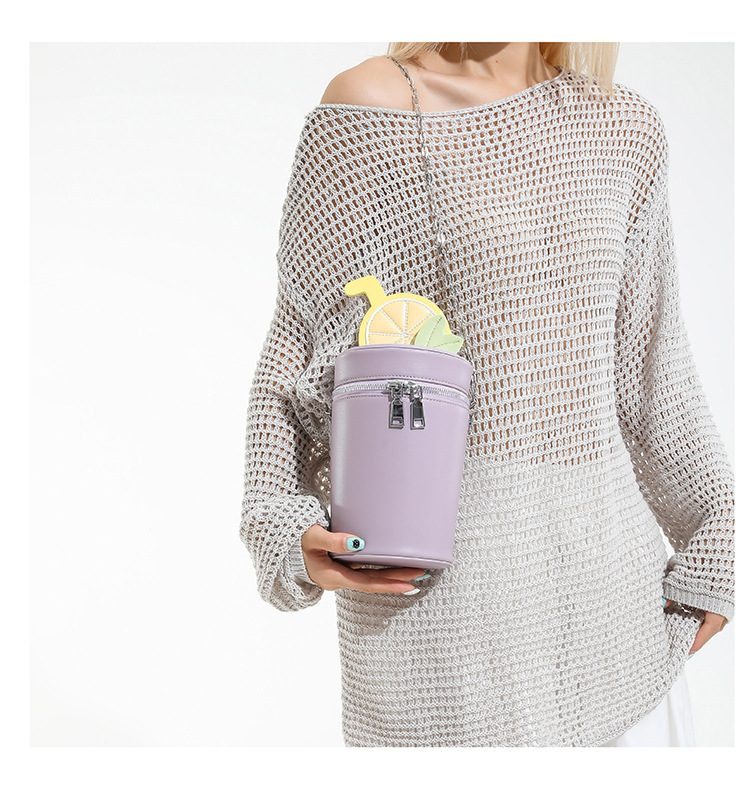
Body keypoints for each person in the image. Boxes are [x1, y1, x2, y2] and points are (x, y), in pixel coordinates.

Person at [239, 42, 734, 747]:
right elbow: (296, 366)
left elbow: (655, 376)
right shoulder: (369, 107)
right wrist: (282, 527)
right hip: (445, 637)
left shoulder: (625, 125)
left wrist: (719, 537)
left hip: (617, 639)